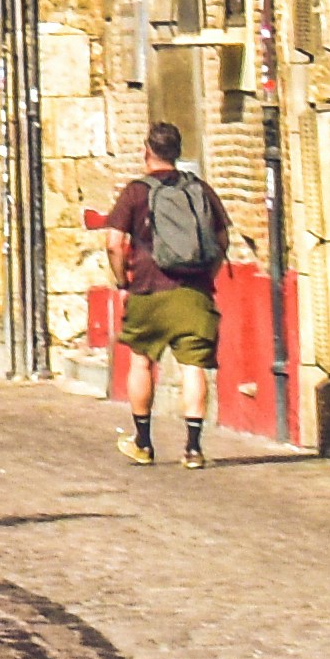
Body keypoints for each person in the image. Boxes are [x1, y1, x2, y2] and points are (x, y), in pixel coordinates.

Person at [81, 119, 229, 462]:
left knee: (142, 362)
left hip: (147, 288)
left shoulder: (136, 192)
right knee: (193, 367)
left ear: (147, 151)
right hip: (194, 289)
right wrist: (209, 273)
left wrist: (122, 282)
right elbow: (222, 239)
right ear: (177, 152)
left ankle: (144, 442)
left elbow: (114, 242)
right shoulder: (200, 190)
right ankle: (193, 448)